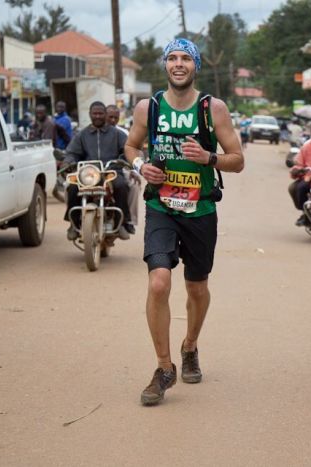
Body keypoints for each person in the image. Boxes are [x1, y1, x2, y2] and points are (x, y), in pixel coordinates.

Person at [124, 38, 244, 406]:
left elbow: (237, 160)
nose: (178, 64)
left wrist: (208, 158)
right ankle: (164, 368)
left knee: (196, 289)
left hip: (201, 210)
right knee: (159, 282)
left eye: (185, 59)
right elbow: (131, 147)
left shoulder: (213, 109)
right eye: (172, 59)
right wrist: (139, 166)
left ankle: (190, 345)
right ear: (164, 65)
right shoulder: (150, 107)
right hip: (161, 207)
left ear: (196, 66)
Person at [62, 101, 132, 240]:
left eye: (101, 113)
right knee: (72, 188)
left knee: (122, 186)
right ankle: (73, 224)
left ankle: (122, 222)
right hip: (87, 174)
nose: (98, 116)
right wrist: (68, 161)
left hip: (110, 173)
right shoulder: (82, 135)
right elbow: (72, 153)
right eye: (95, 113)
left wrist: (124, 160)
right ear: (90, 115)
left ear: (105, 114)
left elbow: (127, 150)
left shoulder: (117, 134)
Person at [107, 104, 141, 232]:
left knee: (134, 184)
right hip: (93, 172)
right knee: (69, 185)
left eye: (115, 118)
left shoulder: (123, 133)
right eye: (110, 117)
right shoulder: (89, 132)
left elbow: (130, 154)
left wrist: (133, 170)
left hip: (117, 169)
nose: (113, 120)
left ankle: (129, 220)